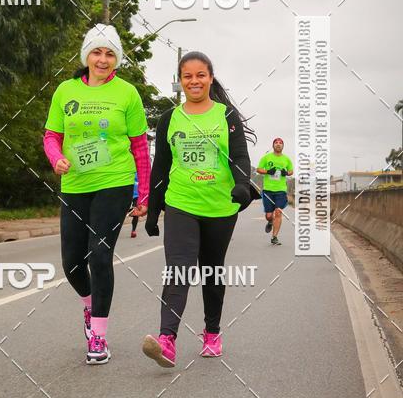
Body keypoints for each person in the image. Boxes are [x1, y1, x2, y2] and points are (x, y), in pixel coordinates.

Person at [142, 51, 259, 368]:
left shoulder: (226, 116)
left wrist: (242, 185)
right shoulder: (170, 118)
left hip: (220, 207)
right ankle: (166, 340)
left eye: (200, 75)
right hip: (181, 202)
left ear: (210, 77)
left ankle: (212, 332)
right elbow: (161, 169)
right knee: (179, 269)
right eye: (187, 76)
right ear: (180, 82)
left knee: (211, 269)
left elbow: (239, 157)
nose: (194, 81)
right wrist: (153, 211)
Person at [43, 23, 150, 365]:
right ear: (86, 56)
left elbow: (139, 147)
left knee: (100, 256)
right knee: (72, 263)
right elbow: (51, 136)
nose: (102, 59)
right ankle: (90, 307)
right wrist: (56, 158)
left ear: (116, 59)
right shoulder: (65, 91)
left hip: (114, 183)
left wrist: (143, 194)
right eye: (97, 52)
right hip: (75, 185)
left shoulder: (127, 94)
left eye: (109, 53)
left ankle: (99, 337)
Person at [256, 138, 294, 245]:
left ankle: (274, 237)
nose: (278, 145)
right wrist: (268, 171)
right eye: (276, 143)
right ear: (273, 145)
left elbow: (291, 171)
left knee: (278, 212)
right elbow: (258, 169)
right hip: (268, 190)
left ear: (283, 146)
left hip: (281, 190)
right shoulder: (267, 157)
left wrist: (285, 172)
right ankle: (270, 221)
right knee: (269, 215)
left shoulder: (286, 159)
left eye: (280, 143)